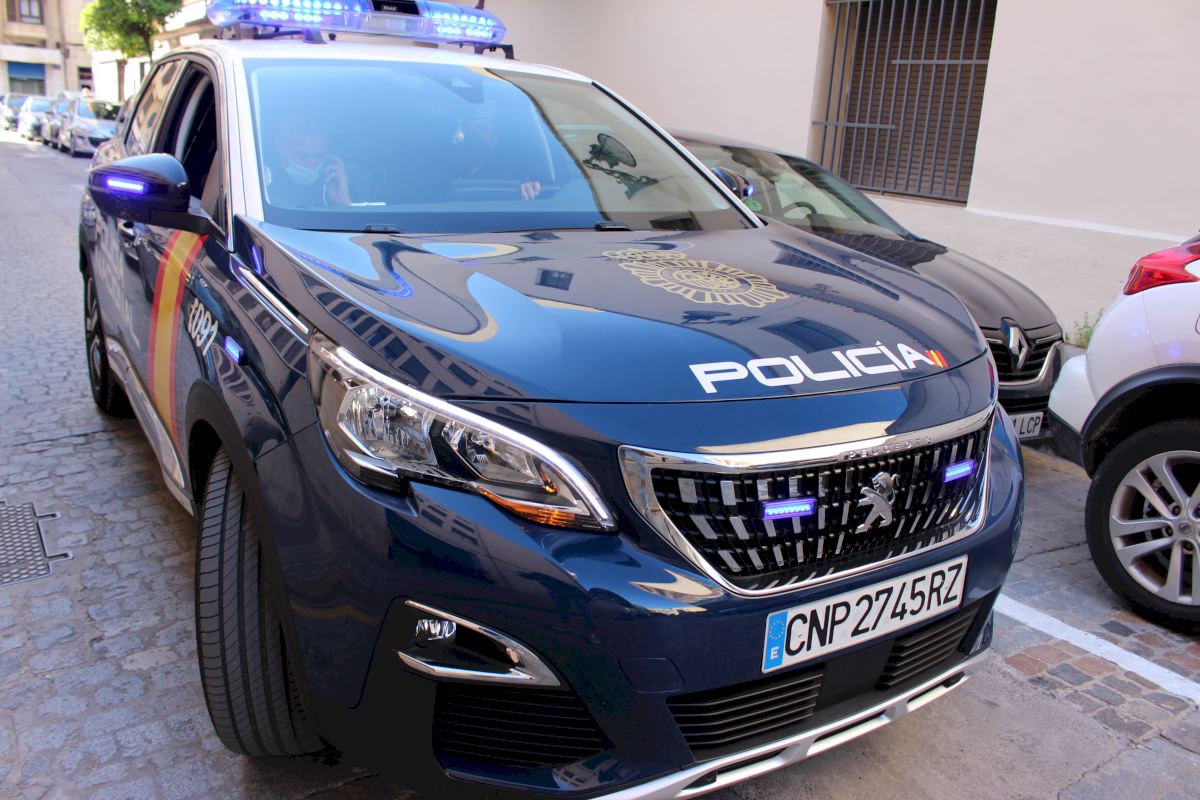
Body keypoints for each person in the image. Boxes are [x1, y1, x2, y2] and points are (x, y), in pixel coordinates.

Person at [265, 110, 351, 208]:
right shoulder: (260, 183)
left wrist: (342, 203)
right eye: (302, 156)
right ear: (279, 146)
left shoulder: (338, 183)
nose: (311, 164)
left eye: (319, 156)